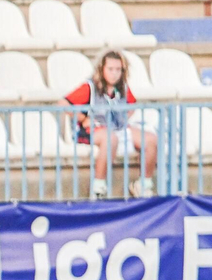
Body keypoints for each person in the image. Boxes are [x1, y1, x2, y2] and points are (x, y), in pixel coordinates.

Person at [64, 50, 156, 199]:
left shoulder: (123, 87)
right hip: (93, 128)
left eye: (118, 69)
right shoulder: (89, 87)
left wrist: (122, 118)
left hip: (117, 127)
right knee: (110, 139)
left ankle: (143, 184)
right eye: (110, 69)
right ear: (102, 69)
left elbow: (132, 104)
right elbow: (64, 103)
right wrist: (83, 119)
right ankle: (98, 187)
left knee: (150, 139)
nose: (114, 73)